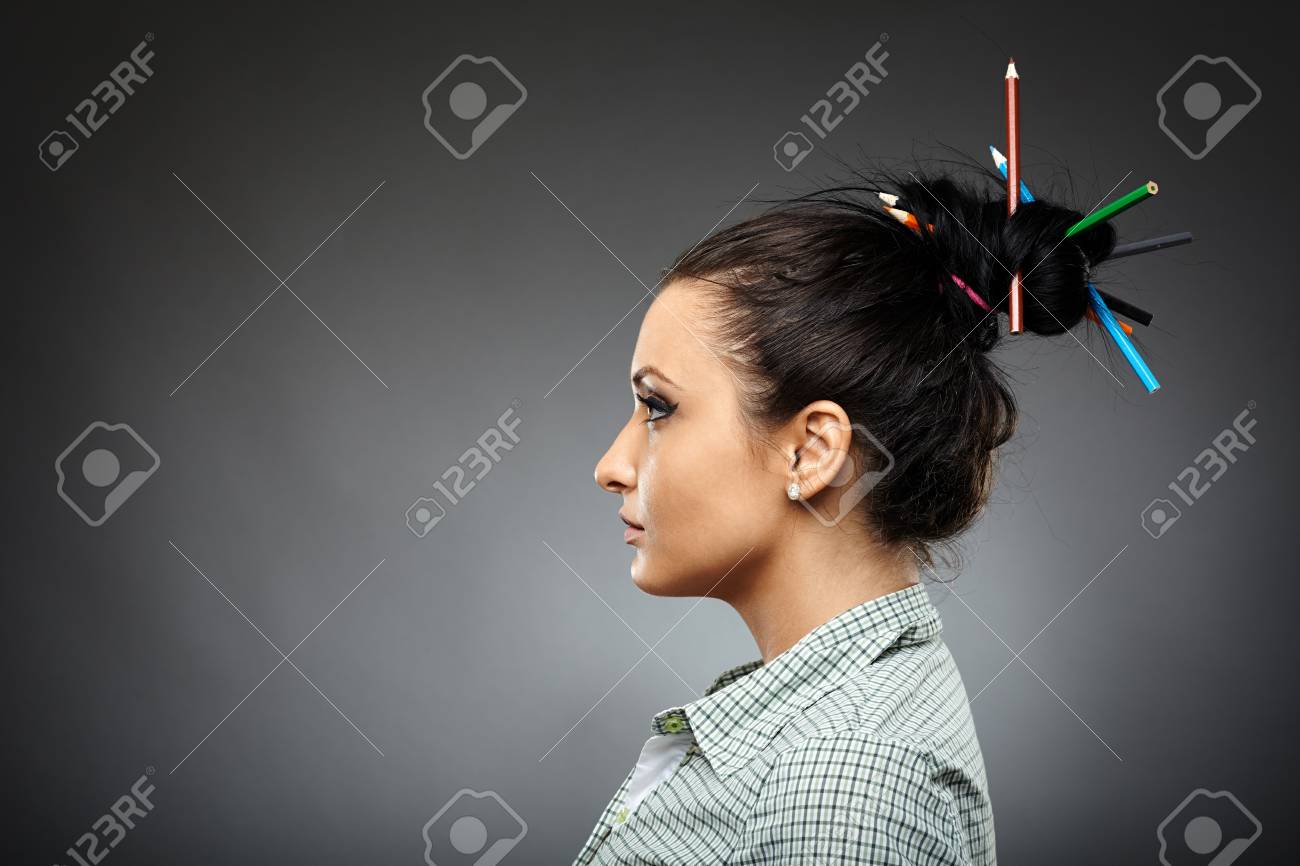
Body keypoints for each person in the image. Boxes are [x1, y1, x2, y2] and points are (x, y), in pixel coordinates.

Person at [577, 157, 1117, 865]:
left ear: (811, 452)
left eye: (658, 407)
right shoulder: (840, 727)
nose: (611, 467)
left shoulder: (843, 776)